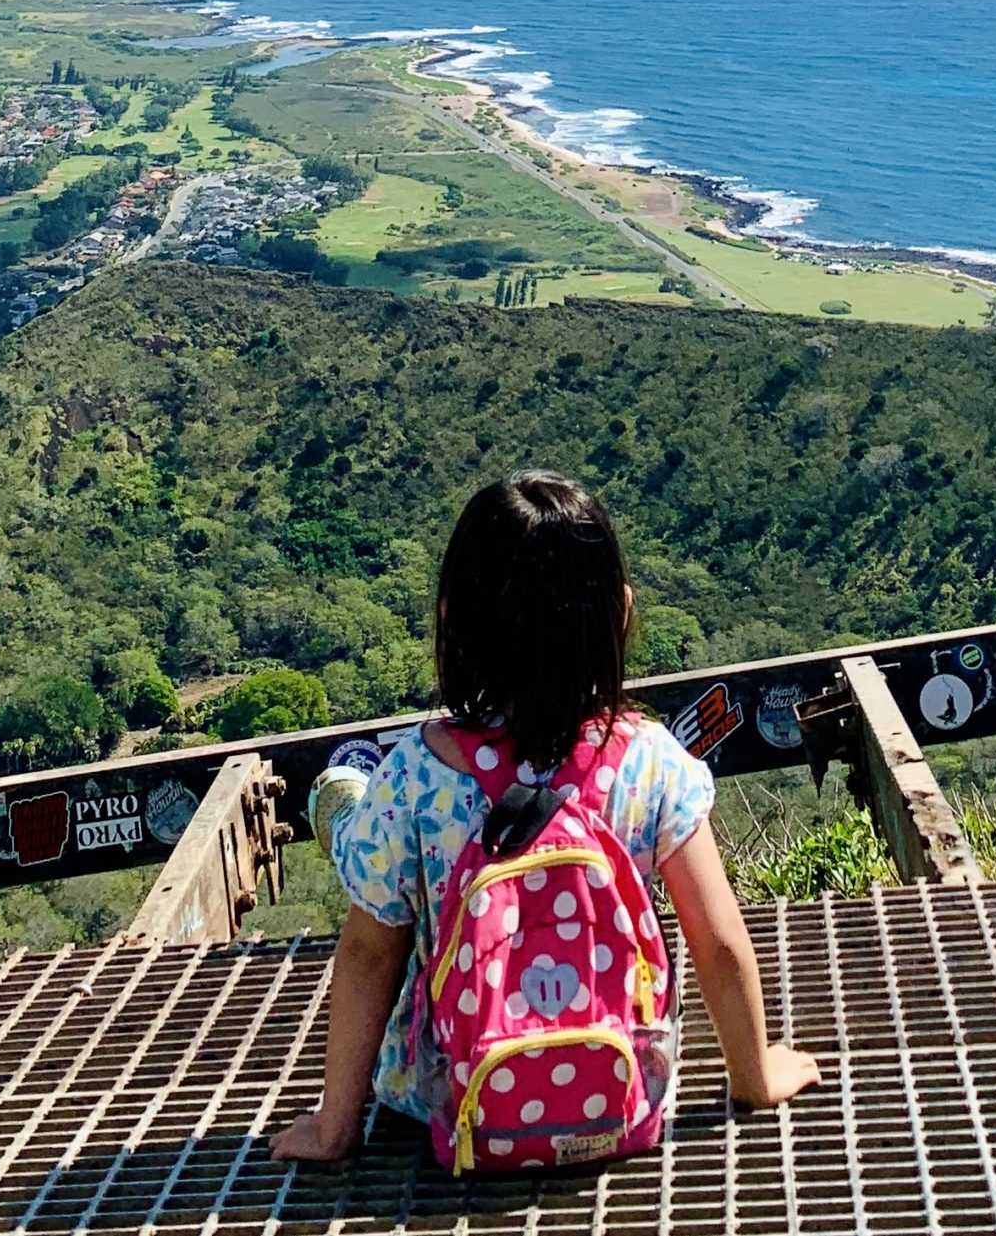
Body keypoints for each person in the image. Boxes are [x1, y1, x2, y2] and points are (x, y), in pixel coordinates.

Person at [272, 471, 821, 1164]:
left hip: (442, 1102)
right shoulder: (649, 761)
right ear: (619, 613)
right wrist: (754, 1077)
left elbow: (366, 954)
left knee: (356, 820)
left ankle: (337, 804)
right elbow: (716, 940)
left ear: (451, 619)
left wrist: (335, 1127)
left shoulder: (416, 773)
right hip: (617, 1093)